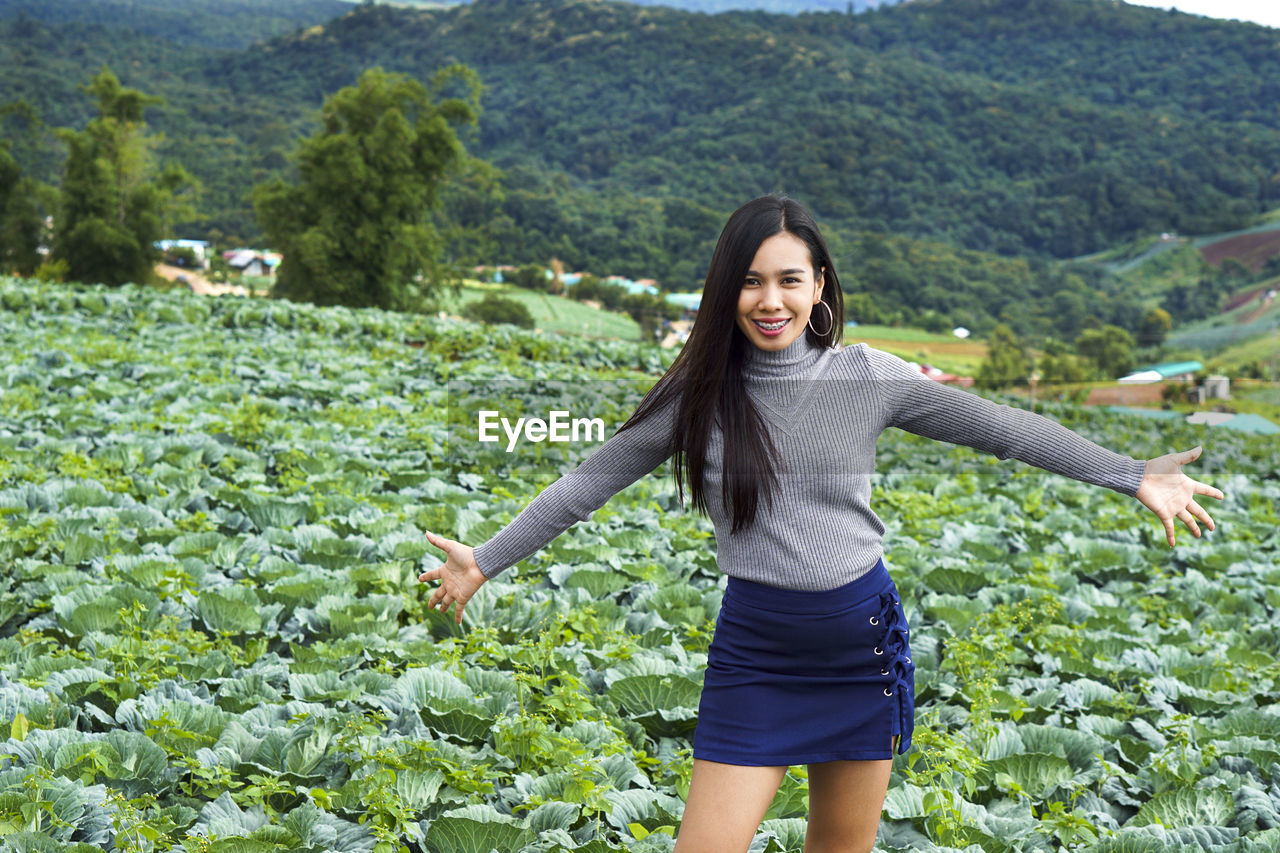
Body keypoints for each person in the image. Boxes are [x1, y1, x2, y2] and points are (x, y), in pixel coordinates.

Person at [417, 195, 1224, 853]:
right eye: (751, 282)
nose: (771, 301)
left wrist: (1131, 475)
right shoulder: (698, 397)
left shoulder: (868, 376)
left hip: (856, 647)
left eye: (790, 280)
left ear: (819, 285)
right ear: (725, 290)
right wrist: (484, 559)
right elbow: (583, 485)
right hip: (755, 654)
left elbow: (1004, 428)